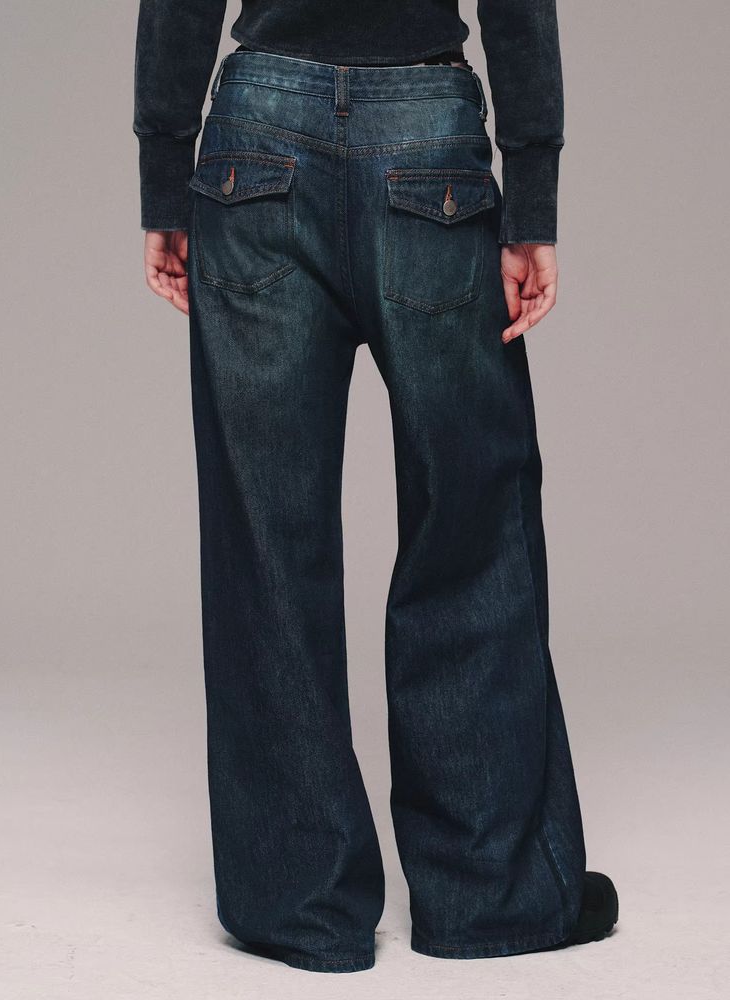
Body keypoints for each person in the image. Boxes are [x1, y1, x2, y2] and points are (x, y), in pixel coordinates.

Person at [133, 0, 618, 974]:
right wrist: (532, 198)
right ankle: (488, 893)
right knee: (469, 524)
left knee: (267, 540)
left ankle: (300, 904)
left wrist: (164, 175)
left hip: (255, 141)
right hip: (425, 134)